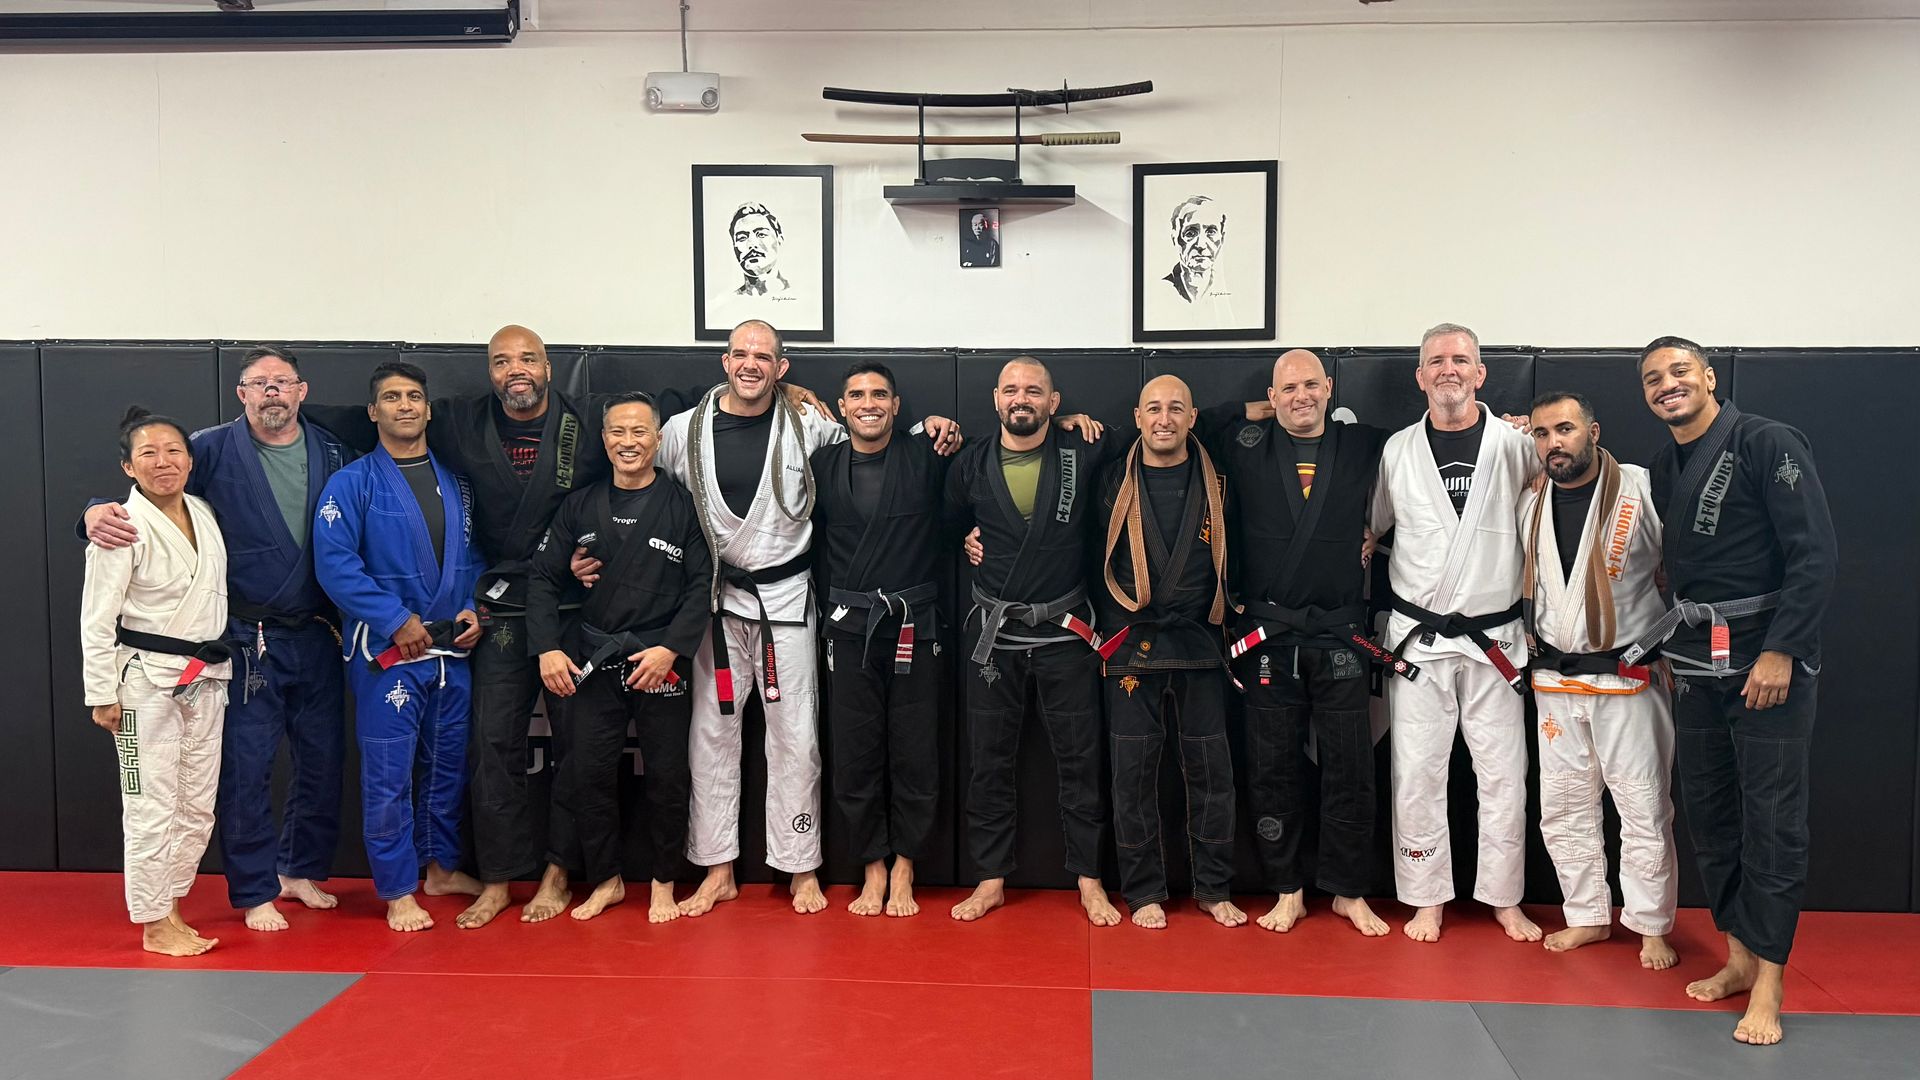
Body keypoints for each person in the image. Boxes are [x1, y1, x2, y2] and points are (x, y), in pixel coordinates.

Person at [302, 326, 806, 927]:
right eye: (502, 361)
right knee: (493, 747)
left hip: (582, 614)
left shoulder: (590, 422)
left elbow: (680, 409)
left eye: (528, 359)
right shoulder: (460, 421)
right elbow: (361, 422)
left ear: (548, 367)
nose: (515, 369)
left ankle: (561, 873)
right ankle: (498, 878)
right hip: (503, 612)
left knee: (588, 756)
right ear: (489, 372)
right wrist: (287, 405)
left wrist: (785, 389)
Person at [81, 346, 353, 933]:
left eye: (283, 381)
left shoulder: (332, 449)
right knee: (245, 769)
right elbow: (148, 496)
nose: (272, 391)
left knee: (321, 761)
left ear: (302, 390)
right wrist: (92, 513)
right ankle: (252, 890)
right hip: (246, 636)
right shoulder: (208, 448)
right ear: (241, 393)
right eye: (260, 382)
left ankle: (299, 869)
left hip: (316, 628)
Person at [1627, 336, 1835, 1046]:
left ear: (1710, 377)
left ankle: (1770, 983)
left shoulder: (1766, 443)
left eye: (1680, 370)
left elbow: (1815, 555)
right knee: (1713, 818)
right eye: (1653, 378)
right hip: (1696, 663)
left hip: (1765, 662)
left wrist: (1783, 649)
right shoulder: (1666, 465)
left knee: (1771, 823)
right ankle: (1740, 956)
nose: (1667, 384)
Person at [655, 321, 850, 916]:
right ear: (724, 360)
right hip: (715, 605)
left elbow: (873, 442)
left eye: (763, 356)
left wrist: (935, 428)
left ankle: (801, 866)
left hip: (785, 603)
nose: (750, 364)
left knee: (796, 735)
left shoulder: (809, 424)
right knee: (711, 734)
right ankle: (717, 868)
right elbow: (643, 490)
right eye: (740, 353)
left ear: (781, 368)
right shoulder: (682, 430)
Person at [1369, 322, 1542, 945]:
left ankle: (1504, 897)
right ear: (1420, 376)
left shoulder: (1518, 446)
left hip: (1497, 642)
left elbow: (1552, 520)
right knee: (1416, 772)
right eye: (1437, 360)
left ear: (1480, 373)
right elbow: (1373, 527)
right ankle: (1425, 898)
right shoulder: (1397, 451)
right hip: (1419, 640)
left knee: (1504, 774)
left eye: (1461, 360)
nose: (1449, 369)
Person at [944, 356, 1125, 926]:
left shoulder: (1083, 449)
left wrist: (1076, 422)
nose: (1021, 398)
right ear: (996, 398)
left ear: (1054, 401)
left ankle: (1090, 879)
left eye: (1034, 391)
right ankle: (990, 879)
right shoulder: (970, 463)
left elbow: (1159, 432)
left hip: (1065, 634)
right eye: (1011, 390)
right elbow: (946, 525)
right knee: (988, 763)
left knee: (1081, 761)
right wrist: (966, 539)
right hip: (994, 638)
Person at [1219, 349, 1394, 937]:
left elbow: (1432, 444)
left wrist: (1510, 426)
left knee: (1351, 766)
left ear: (1329, 389)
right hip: (1270, 634)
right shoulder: (1244, 444)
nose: (1302, 396)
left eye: (1311, 385)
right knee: (1272, 765)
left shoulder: (1365, 444)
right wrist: (1255, 409)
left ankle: (1348, 890)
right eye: (1288, 388)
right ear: (1272, 397)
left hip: (1340, 631)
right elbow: (1192, 421)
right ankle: (1287, 887)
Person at [312, 363, 486, 932]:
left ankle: (440, 869)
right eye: (391, 397)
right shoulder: (351, 483)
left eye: (414, 396)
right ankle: (397, 888)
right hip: (388, 654)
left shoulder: (457, 483)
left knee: (447, 768)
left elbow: (473, 558)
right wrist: (395, 619)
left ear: (428, 409)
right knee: (389, 773)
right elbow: (335, 566)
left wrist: (473, 608)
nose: (405, 405)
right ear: (373, 411)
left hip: (450, 652)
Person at [527, 393, 712, 924]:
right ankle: (605, 880)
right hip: (594, 658)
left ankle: (662, 882)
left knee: (668, 777)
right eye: (617, 432)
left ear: (657, 438)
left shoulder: (682, 505)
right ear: (604, 439)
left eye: (639, 432)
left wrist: (672, 649)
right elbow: (542, 578)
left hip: (660, 660)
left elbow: (702, 584)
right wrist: (547, 648)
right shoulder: (580, 504)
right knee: (587, 774)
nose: (628, 442)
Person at [1520, 392, 1678, 970]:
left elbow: (1683, 561)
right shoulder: (1530, 504)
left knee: (1642, 803)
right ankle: (1586, 914)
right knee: (1563, 805)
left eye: (1564, 429)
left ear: (1593, 431)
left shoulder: (1640, 488)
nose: (1554, 443)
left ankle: (1650, 924)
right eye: (1541, 434)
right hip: (1556, 679)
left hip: (1628, 674)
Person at [80, 407, 231, 956]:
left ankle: (172, 907)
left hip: (206, 675)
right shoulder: (119, 525)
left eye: (173, 451)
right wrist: (101, 693)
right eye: (148, 453)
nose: (163, 462)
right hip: (143, 681)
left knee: (197, 804)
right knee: (149, 804)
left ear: (190, 461)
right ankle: (153, 922)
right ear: (128, 466)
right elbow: (97, 617)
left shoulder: (204, 511)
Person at [1095, 375, 1242, 930]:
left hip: (1202, 642)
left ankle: (1215, 887)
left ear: (1192, 417)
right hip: (1131, 643)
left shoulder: (1220, 480)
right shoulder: (1111, 478)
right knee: (1132, 774)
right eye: (1153, 408)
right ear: (1137, 417)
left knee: (1212, 773)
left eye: (1176, 408)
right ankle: (1143, 891)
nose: (1164, 419)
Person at [811, 362, 957, 917]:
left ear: (896, 405)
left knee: (916, 749)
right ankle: (872, 864)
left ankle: (906, 866)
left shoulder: (928, 456)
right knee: (855, 752)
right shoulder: (822, 465)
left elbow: (979, 490)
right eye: (856, 395)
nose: (868, 404)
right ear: (841, 407)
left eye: (879, 395)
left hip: (915, 625)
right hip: (850, 629)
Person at [1162, 196, 1226, 304]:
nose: (1201, 245)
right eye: (1190, 233)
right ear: (1175, 239)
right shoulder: (1161, 290)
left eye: (1211, 232)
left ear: (1222, 237)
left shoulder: (1229, 286)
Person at [730, 203, 791, 297]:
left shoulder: (800, 293)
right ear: (734, 245)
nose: (752, 245)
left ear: (779, 238)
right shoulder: (730, 300)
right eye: (742, 238)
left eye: (761, 234)